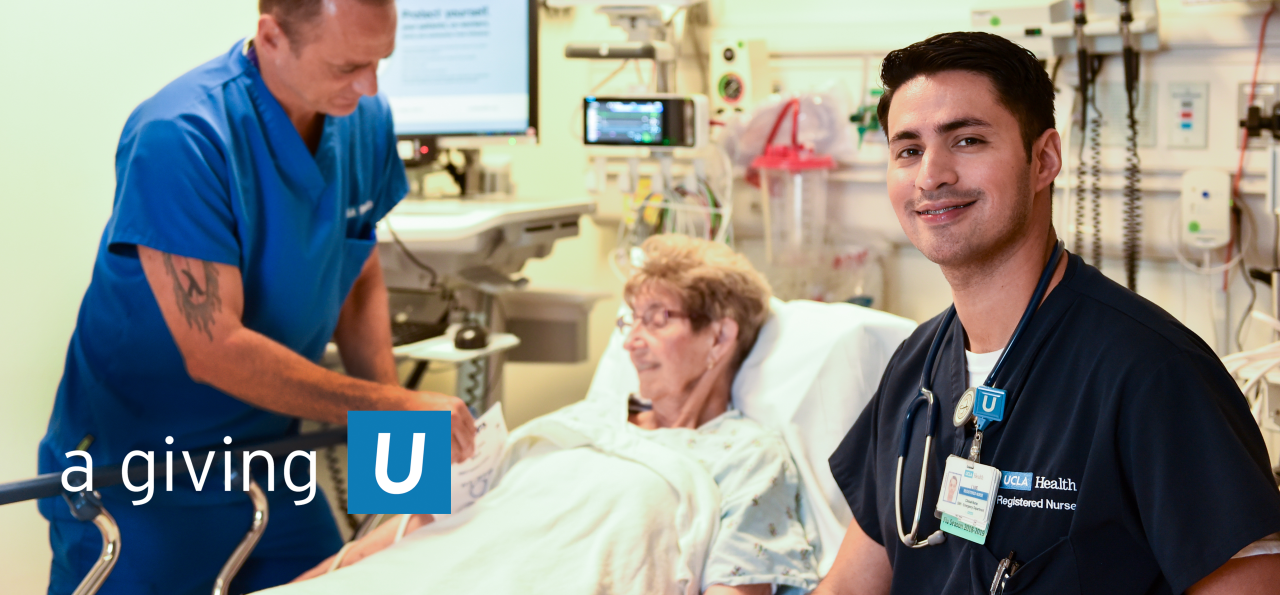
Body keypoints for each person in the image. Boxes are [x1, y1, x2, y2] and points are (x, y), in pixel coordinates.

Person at [817, 32, 1280, 595]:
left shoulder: (1151, 373)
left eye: (966, 140)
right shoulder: (915, 370)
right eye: (907, 150)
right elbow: (849, 585)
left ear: (1044, 160)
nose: (930, 175)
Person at [38, 1, 475, 593]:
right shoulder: (182, 137)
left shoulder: (362, 117)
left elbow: (357, 281)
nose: (369, 85)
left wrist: (397, 467)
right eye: (349, 65)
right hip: (139, 476)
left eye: (380, 62)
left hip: (268, 466)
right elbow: (214, 349)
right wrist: (389, 409)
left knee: (365, 578)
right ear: (271, 37)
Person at [270, 235, 819, 595]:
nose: (632, 344)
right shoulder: (584, 420)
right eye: (631, 322)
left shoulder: (746, 457)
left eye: (659, 318)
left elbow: (740, 585)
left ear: (719, 335)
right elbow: (407, 536)